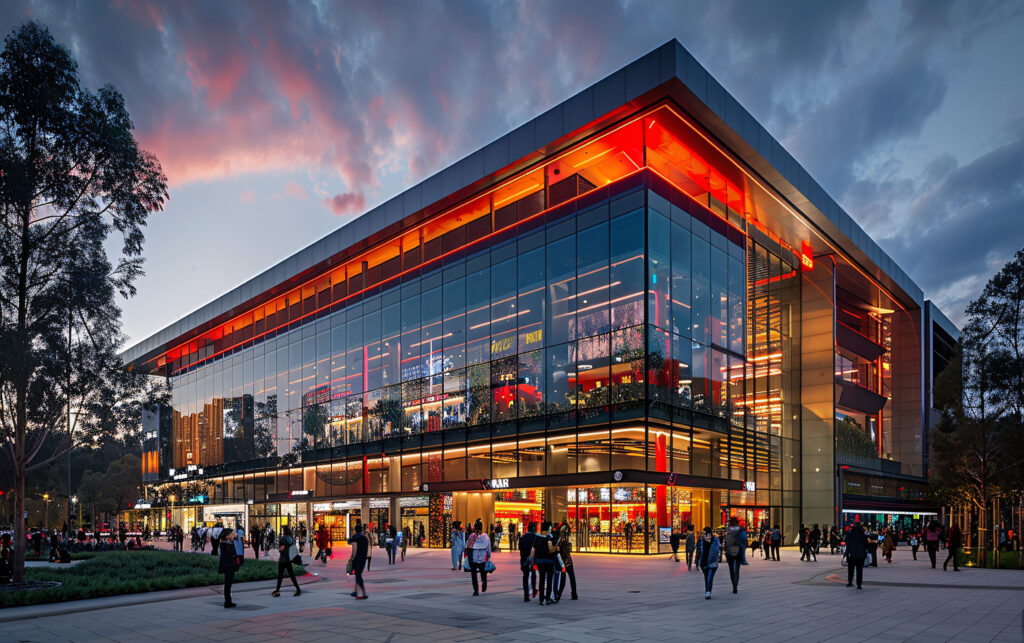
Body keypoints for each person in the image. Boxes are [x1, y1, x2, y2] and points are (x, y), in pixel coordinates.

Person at [530, 521, 557, 605]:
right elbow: (552, 550)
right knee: (549, 580)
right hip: (549, 561)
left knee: (541, 579)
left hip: (540, 561)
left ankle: (541, 599)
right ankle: (548, 598)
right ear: (549, 528)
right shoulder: (551, 537)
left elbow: (533, 550)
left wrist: (532, 560)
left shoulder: (538, 537)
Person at [271, 524, 301, 597]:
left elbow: (281, 549)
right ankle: (298, 589)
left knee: (280, 576)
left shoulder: (283, 538)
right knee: (291, 575)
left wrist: (282, 549)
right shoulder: (290, 538)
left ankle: (278, 590)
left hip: (283, 559)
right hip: (288, 559)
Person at [465, 520, 492, 596]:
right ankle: (484, 582)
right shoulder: (486, 537)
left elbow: (467, 546)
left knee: (474, 575)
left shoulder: (472, 536)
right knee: (483, 572)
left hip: (473, 559)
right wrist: (489, 556)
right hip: (482, 559)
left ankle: (476, 591)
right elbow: (488, 548)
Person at [695, 527, 720, 599]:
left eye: (709, 534)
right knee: (706, 578)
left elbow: (717, 551)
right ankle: (707, 591)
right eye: (705, 534)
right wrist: (697, 562)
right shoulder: (701, 541)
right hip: (704, 563)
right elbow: (698, 552)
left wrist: (717, 559)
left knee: (710, 577)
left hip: (712, 563)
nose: (707, 536)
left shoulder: (715, 541)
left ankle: (708, 592)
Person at [554, 522, 578, 601]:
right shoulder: (562, 539)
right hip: (567, 560)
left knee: (564, 578)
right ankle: (573, 594)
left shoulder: (559, 538)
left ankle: (559, 595)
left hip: (564, 561)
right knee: (570, 577)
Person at [724, 517, 747, 594]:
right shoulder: (741, 529)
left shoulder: (729, 530)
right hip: (738, 551)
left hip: (730, 551)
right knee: (737, 570)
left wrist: (725, 550)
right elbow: (744, 540)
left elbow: (727, 541)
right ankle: (735, 585)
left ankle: (734, 585)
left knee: (731, 570)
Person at [219, 528, 240, 608]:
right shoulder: (224, 544)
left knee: (229, 583)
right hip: (228, 565)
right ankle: (227, 601)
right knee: (228, 583)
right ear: (227, 536)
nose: (232, 535)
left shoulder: (228, 543)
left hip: (230, 565)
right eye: (231, 534)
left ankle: (228, 600)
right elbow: (229, 554)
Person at [347, 522, 369, 599]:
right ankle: (356, 591)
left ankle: (363, 593)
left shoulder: (355, 537)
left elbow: (354, 549)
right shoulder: (365, 538)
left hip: (357, 558)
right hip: (363, 558)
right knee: (358, 574)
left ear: (355, 530)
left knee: (358, 575)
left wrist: (352, 558)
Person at [519, 521, 539, 601]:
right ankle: (534, 590)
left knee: (525, 576)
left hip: (524, 559)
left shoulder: (523, 537)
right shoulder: (535, 537)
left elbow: (520, 548)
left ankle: (526, 595)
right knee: (533, 573)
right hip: (533, 559)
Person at [845, 521, 867, 589]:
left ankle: (850, 582)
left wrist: (847, 554)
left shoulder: (850, 535)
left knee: (850, 570)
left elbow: (847, 543)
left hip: (851, 555)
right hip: (860, 555)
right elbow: (866, 544)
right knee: (859, 571)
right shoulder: (863, 535)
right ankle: (859, 584)